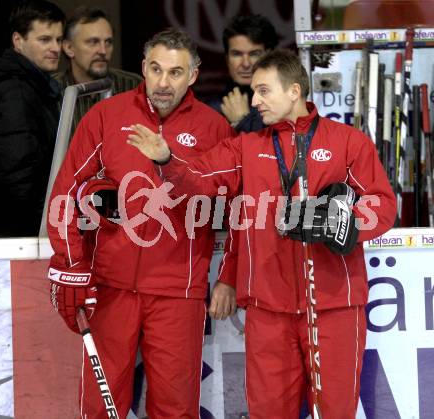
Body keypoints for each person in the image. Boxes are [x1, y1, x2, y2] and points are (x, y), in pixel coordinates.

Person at [127, 49, 397, 418]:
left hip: (335, 305)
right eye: (253, 91)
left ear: (294, 92)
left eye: (263, 91)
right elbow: (200, 178)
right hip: (269, 308)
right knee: (269, 412)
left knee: (336, 411)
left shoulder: (348, 142)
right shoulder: (247, 146)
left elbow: (382, 204)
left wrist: (343, 221)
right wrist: (166, 159)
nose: (254, 102)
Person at [47, 28, 237, 418]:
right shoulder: (107, 115)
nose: (163, 83)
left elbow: (233, 208)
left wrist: (229, 275)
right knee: (100, 406)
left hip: (177, 291)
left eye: (175, 72)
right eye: (155, 69)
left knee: (175, 408)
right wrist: (71, 265)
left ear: (194, 76)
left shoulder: (213, 128)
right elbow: (66, 192)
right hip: (111, 285)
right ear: (143, 69)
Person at [0, 0, 65, 237]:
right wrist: (44, 227)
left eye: (58, 39)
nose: (55, 48)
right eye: (45, 39)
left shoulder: (34, 84)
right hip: (20, 233)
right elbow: (18, 174)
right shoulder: (16, 90)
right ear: (18, 41)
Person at [56, 6, 141, 131]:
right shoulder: (51, 91)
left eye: (108, 42)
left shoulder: (133, 86)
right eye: (93, 42)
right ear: (69, 48)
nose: (103, 51)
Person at [206, 14, 278, 132]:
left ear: (269, 56)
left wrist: (242, 122)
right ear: (227, 58)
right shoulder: (210, 110)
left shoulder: (284, 108)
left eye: (254, 54)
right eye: (237, 54)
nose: (245, 64)